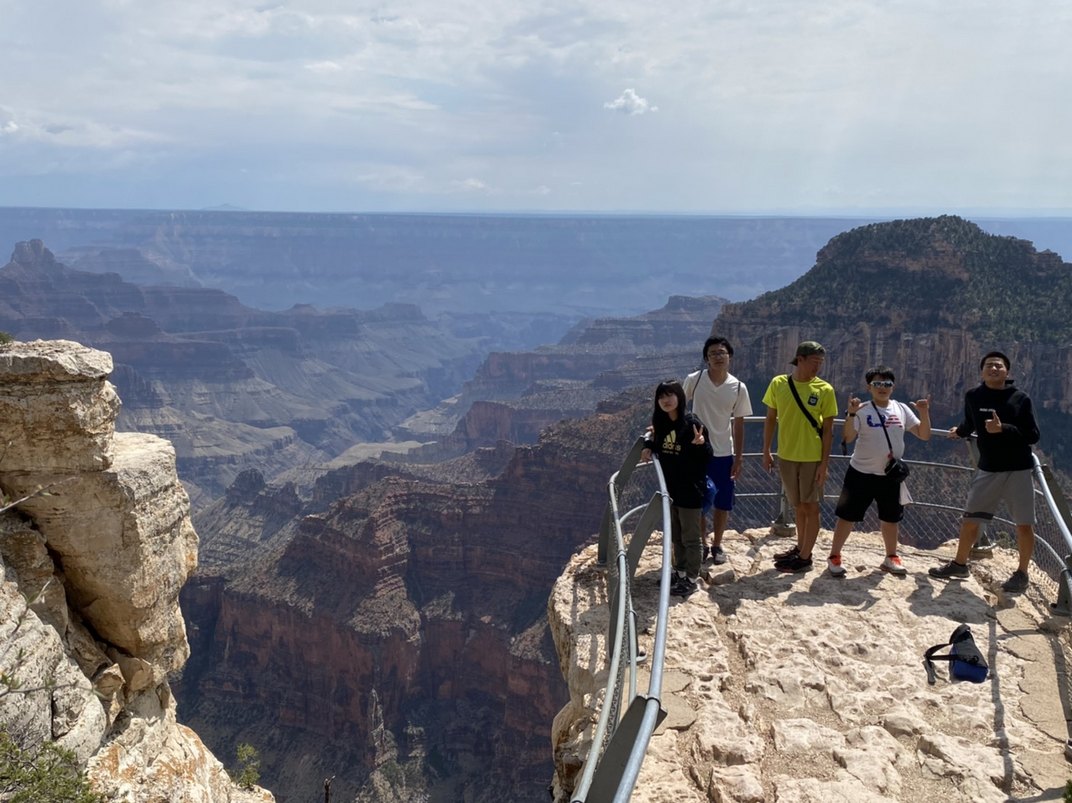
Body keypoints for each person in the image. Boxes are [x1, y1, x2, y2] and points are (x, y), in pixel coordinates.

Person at [929, 351, 1040, 593]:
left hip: (1018, 469)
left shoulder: (1020, 398)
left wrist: (1004, 429)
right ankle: (959, 564)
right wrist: (959, 430)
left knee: (1023, 524)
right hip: (988, 468)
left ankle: (1022, 573)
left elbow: (1033, 435)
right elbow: (970, 423)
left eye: (999, 366)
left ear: (1007, 372)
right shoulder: (974, 396)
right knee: (970, 520)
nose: (994, 369)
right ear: (982, 371)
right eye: (989, 365)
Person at [826, 367, 931, 576]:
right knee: (847, 516)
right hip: (860, 473)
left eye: (887, 384)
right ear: (869, 387)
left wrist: (924, 413)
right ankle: (834, 556)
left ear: (893, 387)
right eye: (877, 384)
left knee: (891, 518)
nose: (882, 388)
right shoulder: (862, 410)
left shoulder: (901, 409)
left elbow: (924, 434)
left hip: (890, 475)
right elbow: (847, 438)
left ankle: (891, 557)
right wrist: (851, 413)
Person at [761, 341, 837, 573]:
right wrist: (766, 450)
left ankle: (805, 557)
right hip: (786, 455)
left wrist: (824, 464)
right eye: (815, 361)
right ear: (800, 359)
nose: (818, 367)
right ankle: (800, 548)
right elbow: (771, 418)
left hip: (811, 458)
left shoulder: (824, 390)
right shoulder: (778, 384)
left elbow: (828, 430)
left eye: (821, 362)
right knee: (798, 505)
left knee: (811, 506)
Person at [683, 336, 753, 565]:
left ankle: (717, 546)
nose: (718, 357)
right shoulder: (695, 380)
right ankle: (702, 544)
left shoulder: (739, 387)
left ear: (730, 357)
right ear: (706, 358)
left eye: (722, 353)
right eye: (713, 353)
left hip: (724, 453)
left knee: (723, 502)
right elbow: (677, 406)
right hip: (697, 453)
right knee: (701, 502)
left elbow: (739, 423)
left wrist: (739, 457)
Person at [641, 380, 713, 597]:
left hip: (691, 490)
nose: (666, 400)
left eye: (670, 395)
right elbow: (660, 445)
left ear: (680, 397)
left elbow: (708, 454)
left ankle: (691, 579)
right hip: (671, 490)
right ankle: (679, 573)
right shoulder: (662, 423)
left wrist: (701, 444)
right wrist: (647, 446)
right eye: (662, 396)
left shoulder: (691, 423)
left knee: (691, 537)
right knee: (677, 536)